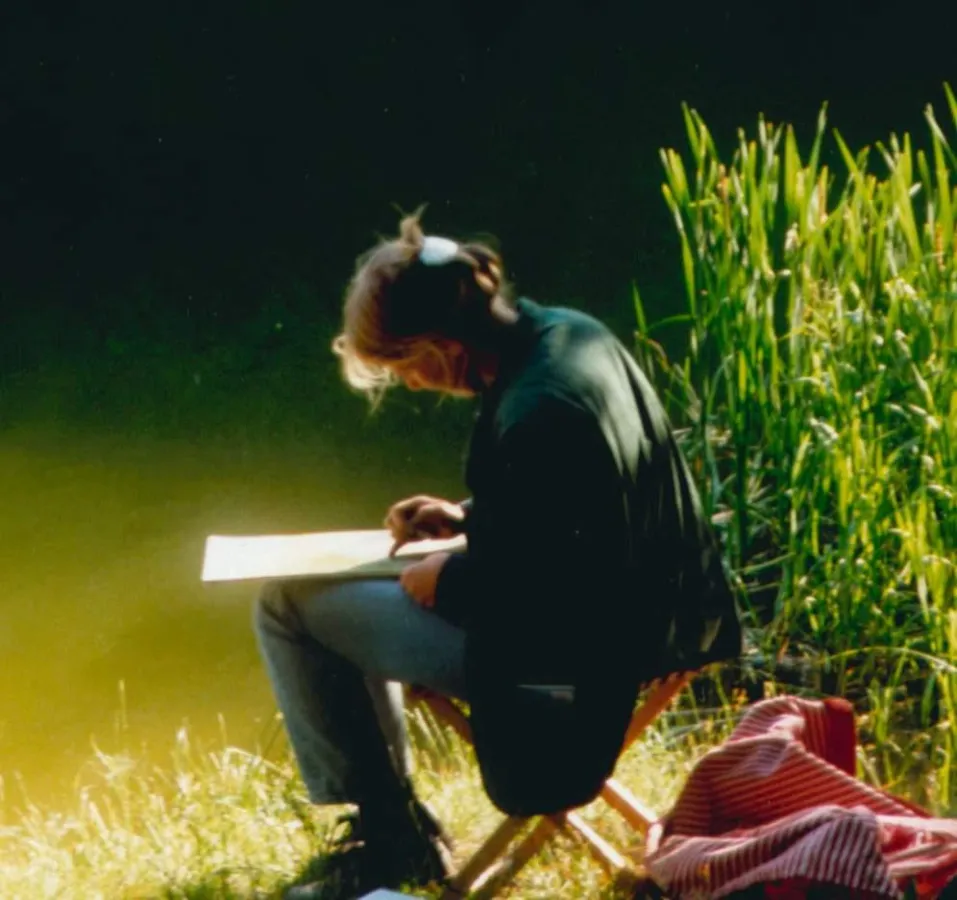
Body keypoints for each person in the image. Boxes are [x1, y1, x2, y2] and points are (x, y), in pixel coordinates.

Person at [253, 211, 742, 899]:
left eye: (405, 367)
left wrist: (450, 578)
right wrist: (467, 517)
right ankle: (391, 828)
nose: (412, 385)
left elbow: (540, 597)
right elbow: (579, 505)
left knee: (285, 603)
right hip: (657, 620)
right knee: (315, 596)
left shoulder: (539, 410)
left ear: (441, 346)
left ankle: (389, 840)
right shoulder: (570, 336)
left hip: (567, 673)